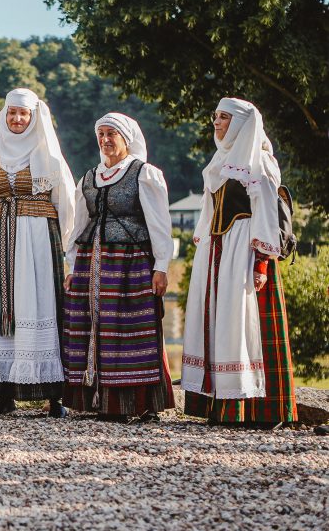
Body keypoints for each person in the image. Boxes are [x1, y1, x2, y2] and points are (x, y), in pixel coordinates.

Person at [181, 98, 297, 427]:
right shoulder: (220, 159)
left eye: (224, 118)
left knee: (245, 324)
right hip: (218, 251)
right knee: (220, 324)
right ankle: (219, 407)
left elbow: (265, 214)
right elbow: (207, 212)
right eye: (215, 116)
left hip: (244, 250)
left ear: (242, 124)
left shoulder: (259, 162)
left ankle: (259, 410)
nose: (216, 123)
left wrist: (261, 261)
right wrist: (204, 244)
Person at [0, 88, 75, 416]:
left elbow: (66, 203)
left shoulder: (48, 153)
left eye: (23, 113)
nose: (16, 119)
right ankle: (4, 393)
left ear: (34, 116)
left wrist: (64, 247)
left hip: (38, 240)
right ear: (4, 114)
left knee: (41, 304)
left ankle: (54, 396)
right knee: (1, 310)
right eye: (12, 112)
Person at [62, 113, 176, 421]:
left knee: (132, 330)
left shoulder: (144, 173)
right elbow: (79, 226)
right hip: (91, 264)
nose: (105, 139)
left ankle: (141, 404)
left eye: (112, 133)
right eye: (101, 134)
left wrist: (162, 265)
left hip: (131, 263)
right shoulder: (88, 177)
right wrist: (71, 265)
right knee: (94, 329)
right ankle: (101, 401)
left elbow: (159, 224)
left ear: (127, 138)